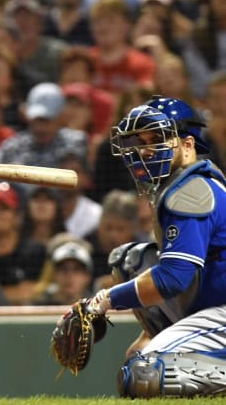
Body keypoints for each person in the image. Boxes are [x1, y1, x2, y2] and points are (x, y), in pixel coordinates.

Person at [61, 96, 226, 397]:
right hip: (210, 311)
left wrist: (102, 302)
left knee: (146, 375)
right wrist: (146, 340)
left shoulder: (193, 190)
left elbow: (173, 277)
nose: (145, 150)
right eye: (140, 141)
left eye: (157, 139)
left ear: (188, 145)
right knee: (130, 260)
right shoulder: (179, 186)